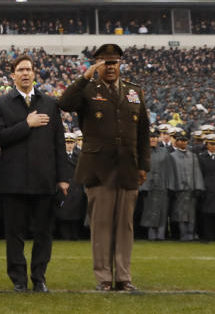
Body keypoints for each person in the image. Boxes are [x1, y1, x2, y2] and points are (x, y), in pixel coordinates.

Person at [59, 43, 150, 292]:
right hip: (98, 169)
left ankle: (123, 277)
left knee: (125, 226)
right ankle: (103, 278)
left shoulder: (134, 92)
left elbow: (143, 132)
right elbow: (64, 103)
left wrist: (144, 165)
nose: (110, 67)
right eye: (104, 62)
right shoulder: (87, 90)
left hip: (128, 168)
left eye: (114, 62)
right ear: (96, 64)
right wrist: (85, 76)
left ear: (120, 64)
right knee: (101, 226)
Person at [0, 54, 67, 292]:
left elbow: (59, 143)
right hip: (13, 181)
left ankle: (39, 278)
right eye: (20, 70)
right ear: (12, 75)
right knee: (15, 235)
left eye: (29, 69)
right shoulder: (2, 103)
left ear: (34, 73)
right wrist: (27, 124)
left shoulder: (50, 103)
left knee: (43, 233)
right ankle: (19, 280)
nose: (25, 73)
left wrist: (63, 178)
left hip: (44, 179)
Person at [164, 132, 203, 241]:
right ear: (176, 142)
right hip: (179, 190)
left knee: (191, 214)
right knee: (180, 214)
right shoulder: (172, 156)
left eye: (185, 140)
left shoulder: (193, 156)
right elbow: (170, 173)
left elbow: (197, 172)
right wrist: (171, 187)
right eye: (181, 140)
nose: (183, 142)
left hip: (191, 190)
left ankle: (190, 234)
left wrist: (198, 187)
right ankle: (183, 234)